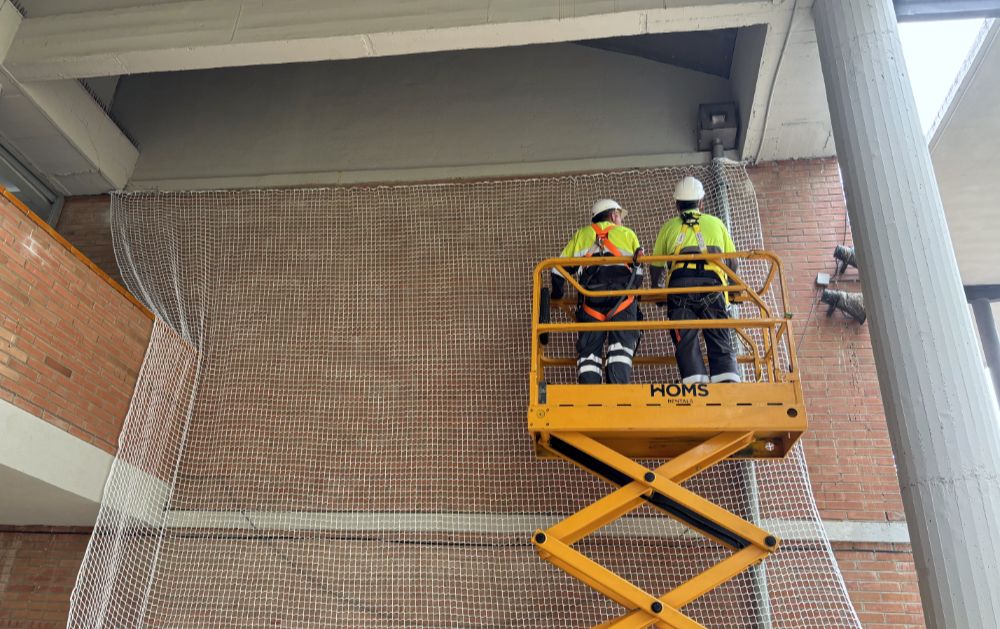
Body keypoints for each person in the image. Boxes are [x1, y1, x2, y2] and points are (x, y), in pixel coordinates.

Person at [649, 176, 741, 385]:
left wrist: (657, 289)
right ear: (701, 202)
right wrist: (732, 287)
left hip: (679, 288)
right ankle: (727, 383)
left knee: (685, 341)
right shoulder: (716, 224)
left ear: (677, 204)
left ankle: (695, 385)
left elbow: (655, 265)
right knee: (719, 337)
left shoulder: (668, 227)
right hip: (713, 286)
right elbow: (732, 262)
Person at [551, 199, 644, 384]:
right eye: (620, 216)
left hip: (591, 303)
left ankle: (590, 391)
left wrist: (557, 296)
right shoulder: (627, 234)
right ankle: (618, 390)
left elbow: (557, 270)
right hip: (622, 302)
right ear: (614, 215)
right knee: (621, 348)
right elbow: (638, 275)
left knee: (589, 353)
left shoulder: (582, 235)